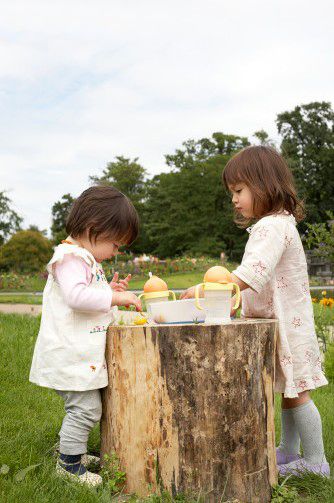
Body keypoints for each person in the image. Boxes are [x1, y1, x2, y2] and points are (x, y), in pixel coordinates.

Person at [181, 146, 329, 477]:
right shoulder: (275, 224)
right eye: (231, 192)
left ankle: (317, 462)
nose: (234, 199)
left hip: (288, 326)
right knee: (290, 392)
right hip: (283, 322)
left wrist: (207, 291)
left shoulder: (272, 226)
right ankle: (291, 452)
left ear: (263, 184)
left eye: (239, 190)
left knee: (298, 392)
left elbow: (252, 274)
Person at [29, 186, 142, 486]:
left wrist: (108, 291)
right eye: (115, 245)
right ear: (94, 230)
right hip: (67, 353)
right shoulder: (69, 258)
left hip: (78, 353)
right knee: (85, 408)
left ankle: (71, 450)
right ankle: (67, 465)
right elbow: (77, 297)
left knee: (83, 407)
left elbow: (89, 293)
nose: (116, 253)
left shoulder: (84, 259)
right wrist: (116, 298)